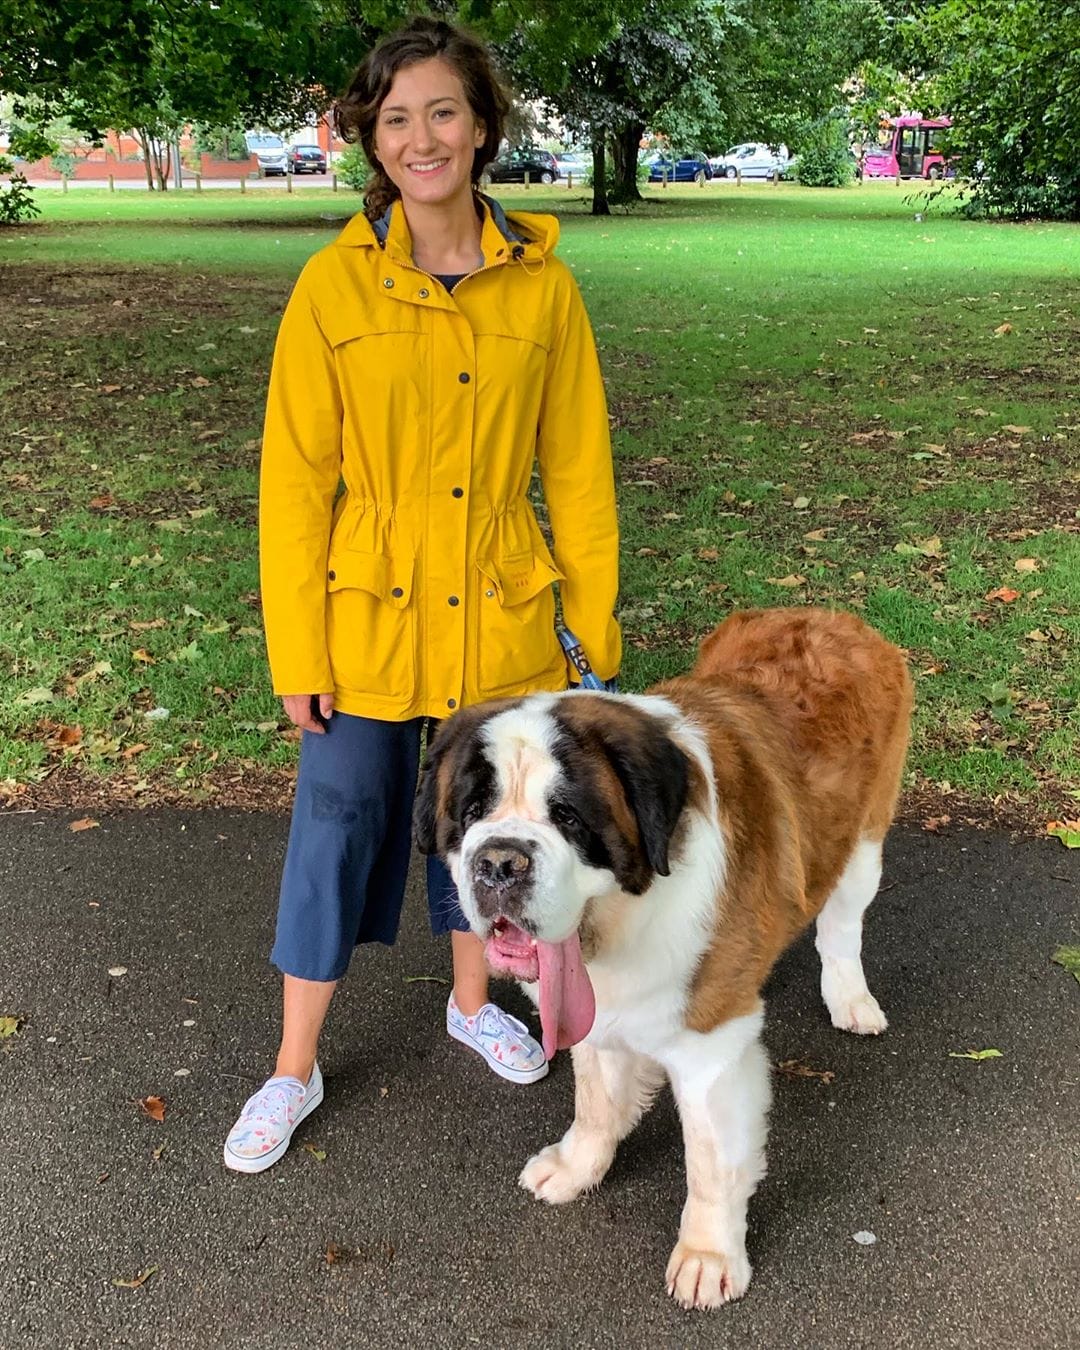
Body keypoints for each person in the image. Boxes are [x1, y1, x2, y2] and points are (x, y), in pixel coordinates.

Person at [223, 15, 620, 1173]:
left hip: (501, 618)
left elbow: (579, 476)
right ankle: (292, 1067)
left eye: (443, 110)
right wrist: (298, 652)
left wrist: (591, 636)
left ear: (482, 126)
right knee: (336, 829)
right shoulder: (331, 287)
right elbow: (295, 484)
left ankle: (470, 1003)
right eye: (396, 118)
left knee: (485, 832)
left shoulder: (545, 291)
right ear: (372, 138)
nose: (422, 136)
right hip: (365, 622)